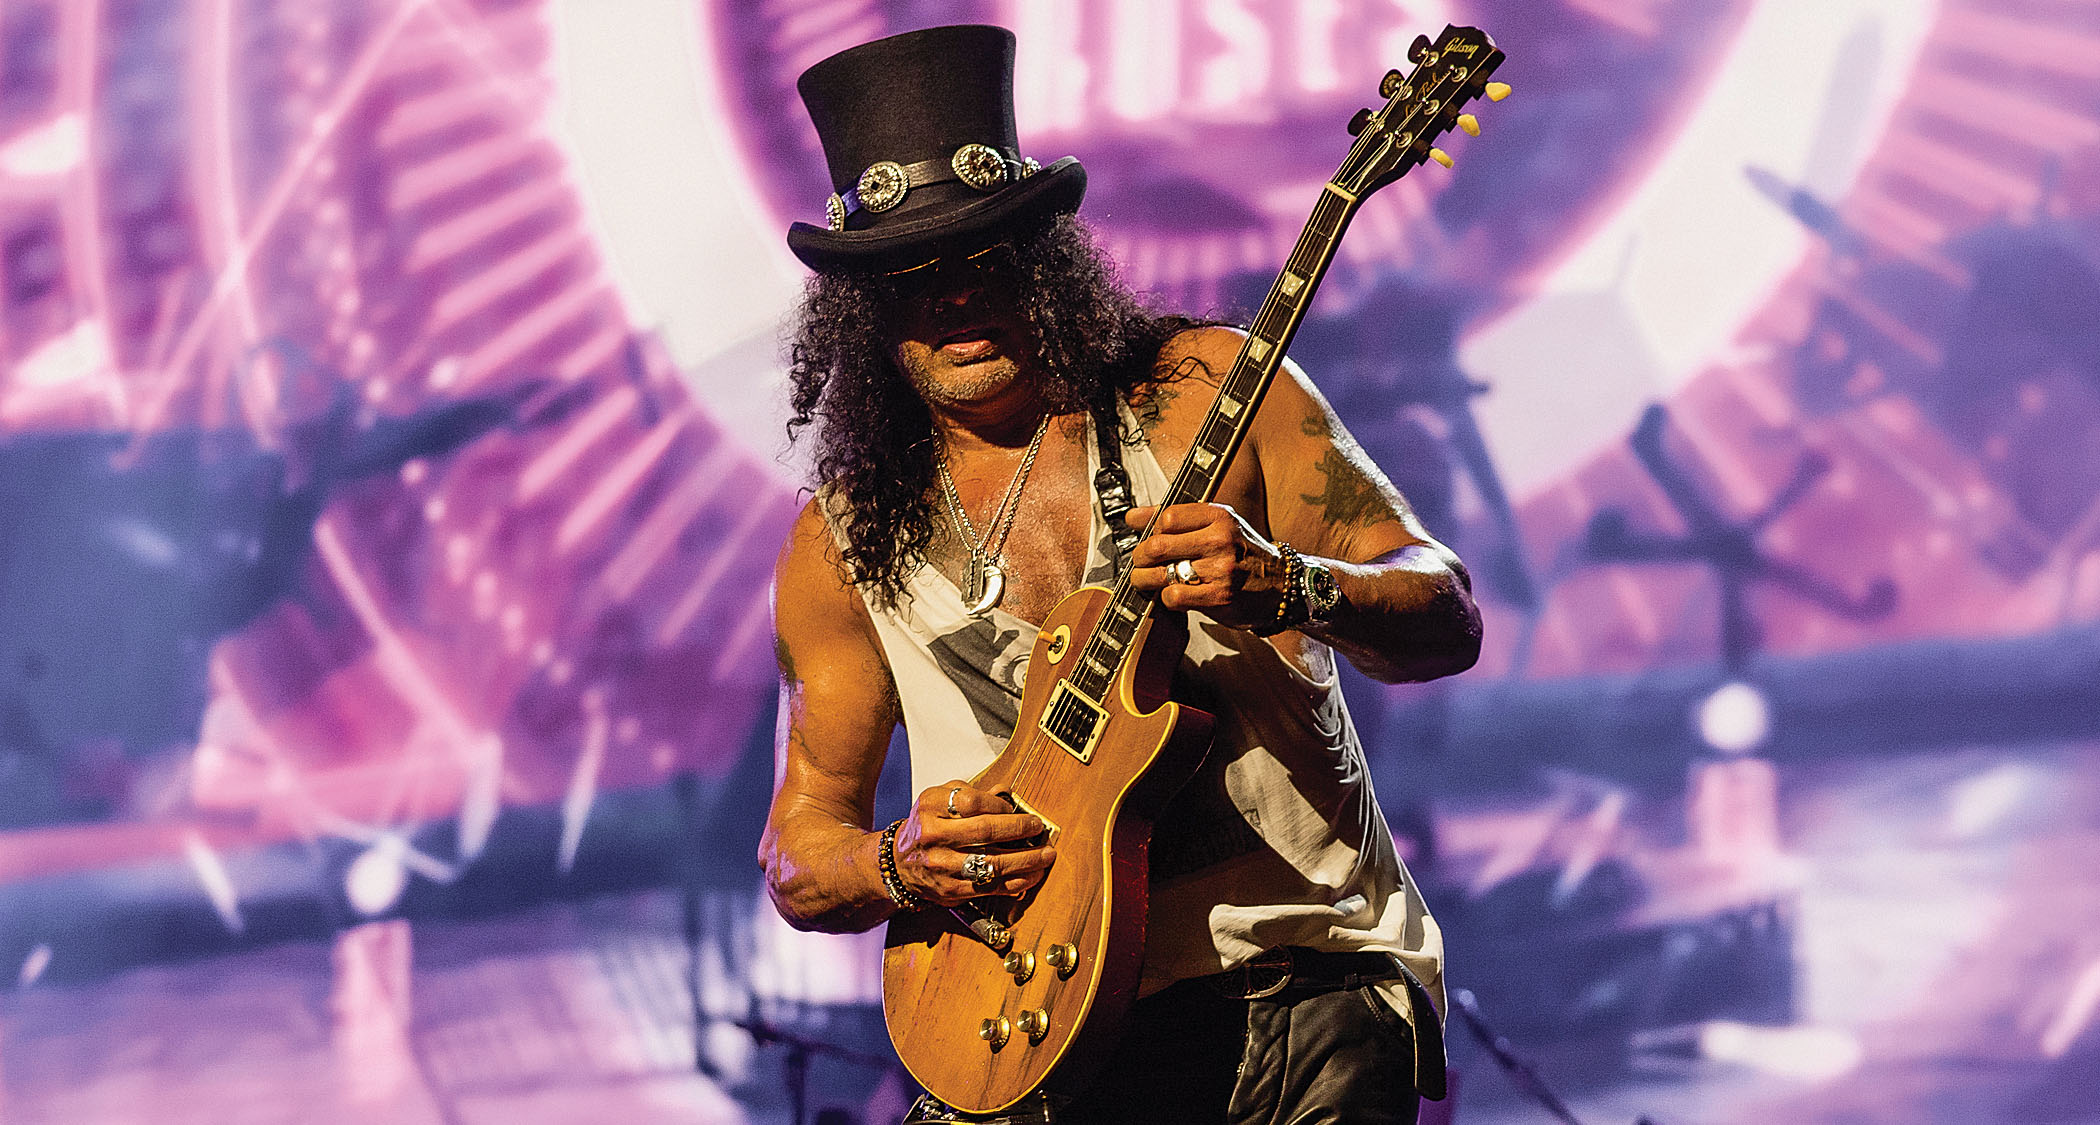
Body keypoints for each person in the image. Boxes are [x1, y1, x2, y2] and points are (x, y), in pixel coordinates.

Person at [758, 24, 1480, 1125]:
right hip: (1020, 1019)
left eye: (979, 257)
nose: (952, 298)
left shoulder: (1202, 391)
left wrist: (1292, 586)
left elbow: (1444, 611)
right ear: (863, 312)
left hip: (1298, 989)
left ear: (1041, 260)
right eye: (911, 278)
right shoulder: (841, 542)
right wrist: (899, 866)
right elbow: (800, 850)